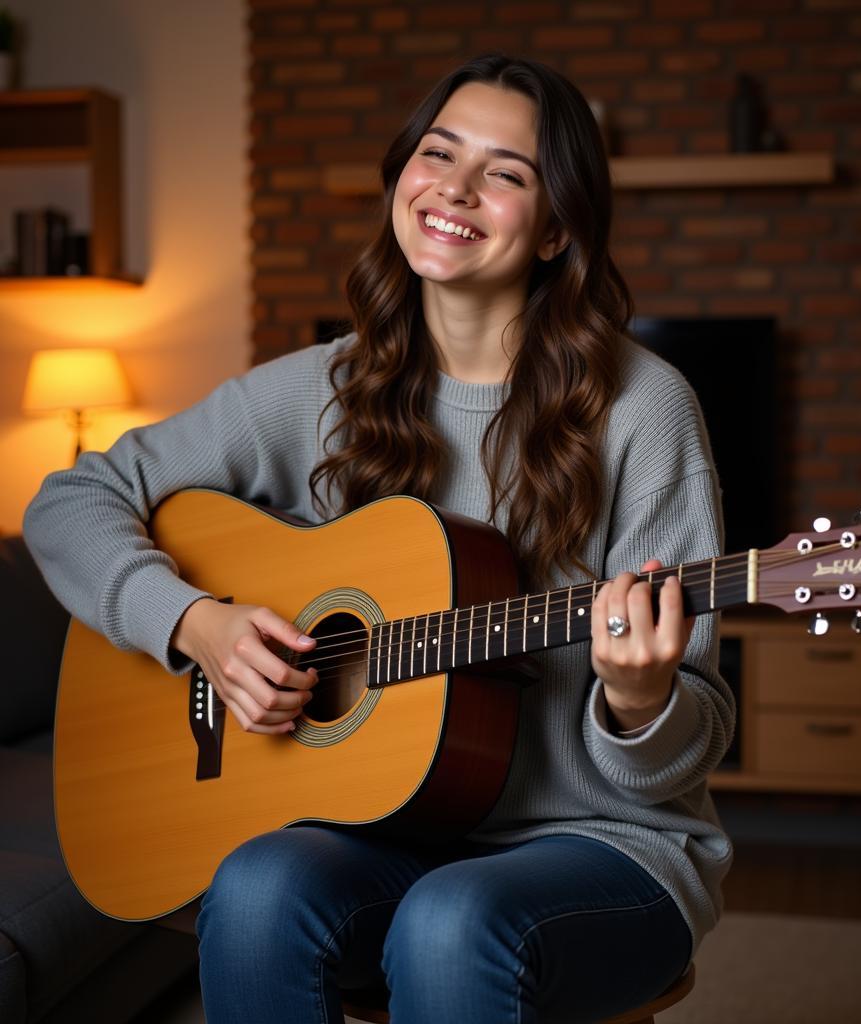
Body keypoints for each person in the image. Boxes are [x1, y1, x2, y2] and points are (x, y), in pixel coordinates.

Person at [25, 54, 734, 1024]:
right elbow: (68, 500)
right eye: (437, 153)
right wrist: (196, 624)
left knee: (450, 920)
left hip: (607, 845)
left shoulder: (643, 409)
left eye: (507, 172)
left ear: (557, 227)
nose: (455, 187)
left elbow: (683, 753)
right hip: (388, 825)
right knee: (259, 884)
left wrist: (641, 696)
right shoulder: (323, 387)